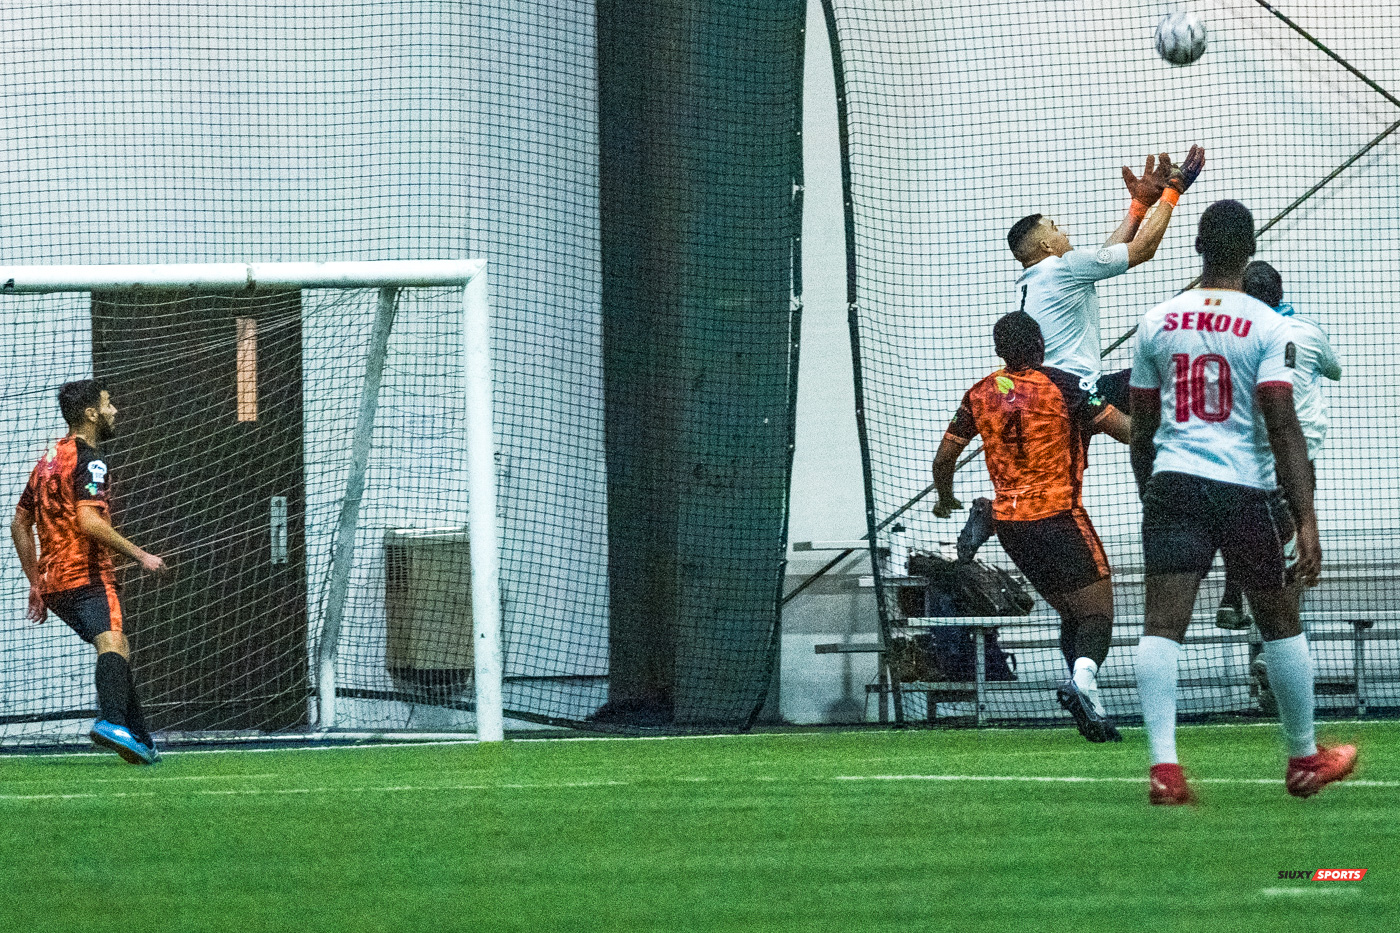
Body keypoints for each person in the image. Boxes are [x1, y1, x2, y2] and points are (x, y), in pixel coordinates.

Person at [1128, 200, 1356, 805]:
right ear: (1250, 248)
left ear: (1198, 245)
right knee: (1279, 622)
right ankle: (1305, 759)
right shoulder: (1269, 326)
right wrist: (1305, 520)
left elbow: (1143, 427)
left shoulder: (1157, 320)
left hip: (1175, 482)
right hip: (1245, 489)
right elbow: (1284, 428)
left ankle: (1164, 770)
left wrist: (1151, 493)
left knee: (1161, 627)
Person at [931, 311, 1129, 742]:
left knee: (1070, 613)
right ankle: (1083, 685)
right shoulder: (1065, 385)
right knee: (1097, 615)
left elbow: (944, 460)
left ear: (999, 350)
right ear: (1040, 344)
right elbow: (1125, 430)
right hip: (1059, 516)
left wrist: (945, 498)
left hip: (1012, 527)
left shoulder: (980, 393)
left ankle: (1089, 704)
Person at [11, 380, 168, 764]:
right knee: (113, 643)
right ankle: (113, 722)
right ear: (91, 413)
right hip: (87, 574)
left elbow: (19, 522)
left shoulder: (50, 456)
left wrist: (35, 582)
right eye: (108, 404)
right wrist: (141, 555)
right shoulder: (92, 459)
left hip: (54, 584)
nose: (115, 410)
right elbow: (88, 521)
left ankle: (142, 742)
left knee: (113, 647)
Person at [1007, 145, 1206, 414]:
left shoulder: (1032, 281)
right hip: (1078, 392)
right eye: (1054, 228)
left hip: (1051, 399)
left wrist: (1140, 206)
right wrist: (1173, 191)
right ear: (1045, 244)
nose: (1063, 231)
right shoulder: (1064, 267)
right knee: (1169, 374)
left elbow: (1106, 255)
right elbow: (1143, 250)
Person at [1216, 260, 1341, 631]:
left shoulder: (1234, 335)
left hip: (1252, 448)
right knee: (1292, 541)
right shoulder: (1306, 332)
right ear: (1281, 292)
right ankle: (1277, 638)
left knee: (1244, 526)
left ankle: (1232, 599)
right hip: (1301, 451)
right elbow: (1335, 369)